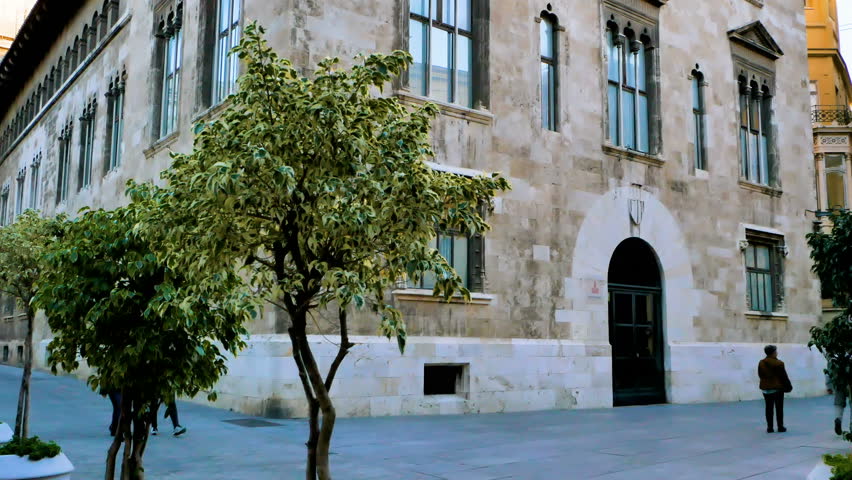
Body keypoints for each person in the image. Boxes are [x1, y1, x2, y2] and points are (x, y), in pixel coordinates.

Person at [758, 344, 792, 433]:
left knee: (768, 408)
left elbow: (760, 375)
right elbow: (784, 377)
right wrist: (789, 386)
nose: (777, 353)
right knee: (779, 408)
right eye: (776, 351)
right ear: (773, 353)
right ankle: (780, 426)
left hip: (766, 389)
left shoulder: (761, 362)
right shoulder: (779, 363)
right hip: (777, 389)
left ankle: (770, 427)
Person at [826, 366, 849, 435]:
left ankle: (838, 418)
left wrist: (829, 386)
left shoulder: (834, 358)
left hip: (839, 381)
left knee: (839, 402)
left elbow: (828, 373)